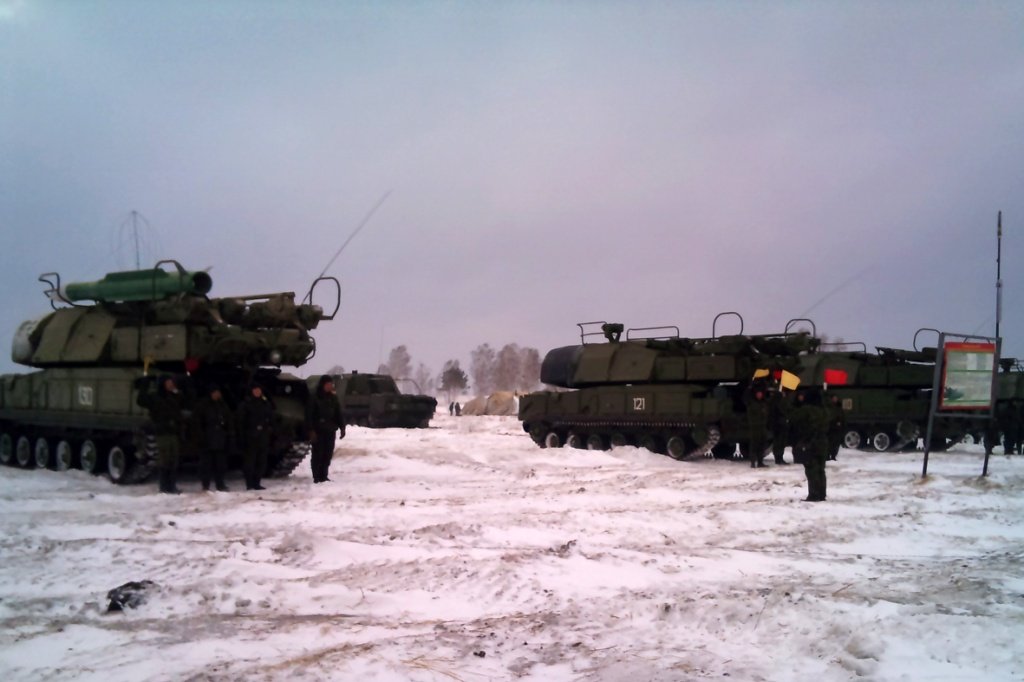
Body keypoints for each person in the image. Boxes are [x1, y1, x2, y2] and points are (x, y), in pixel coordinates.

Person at [136, 375, 186, 494]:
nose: (171, 384)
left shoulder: (174, 397)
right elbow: (141, 400)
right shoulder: (155, 397)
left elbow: (185, 401)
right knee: (165, 459)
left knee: (173, 459)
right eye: (169, 382)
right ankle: (164, 487)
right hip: (162, 432)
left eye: (172, 382)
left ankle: (172, 485)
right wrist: (145, 384)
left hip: (173, 432)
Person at [790, 388, 830, 502]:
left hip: (810, 442)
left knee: (811, 469)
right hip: (823, 441)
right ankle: (822, 494)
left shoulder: (807, 409)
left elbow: (793, 416)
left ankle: (814, 495)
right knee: (821, 469)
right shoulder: (824, 410)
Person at [193, 384, 234, 491]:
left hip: (220, 439)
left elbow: (229, 420)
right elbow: (197, 423)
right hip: (207, 439)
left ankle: (220, 484)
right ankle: (205, 485)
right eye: (215, 392)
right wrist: (201, 437)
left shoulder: (222, 405)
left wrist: (229, 434)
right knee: (206, 465)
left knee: (220, 464)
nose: (217, 394)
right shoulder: (203, 406)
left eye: (218, 392)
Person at [236, 382, 275, 491]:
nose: (257, 392)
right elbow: (241, 422)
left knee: (261, 461)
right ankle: (249, 483)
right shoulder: (246, 405)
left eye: (259, 390)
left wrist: (270, 429)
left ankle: (257, 482)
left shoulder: (265, 403)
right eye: (255, 390)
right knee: (250, 462)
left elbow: (271, 417)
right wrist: (242, 436)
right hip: (250, 437)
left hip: (263, 437)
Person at [308, 375, 346, 483]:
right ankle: (316, 477)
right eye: (328, 384)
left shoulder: (333, 398)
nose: (330, 386)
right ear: (323, 385)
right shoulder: (314, 397)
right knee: (318, 454)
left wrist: (342, 427)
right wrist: (311, 430)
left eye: (331, 384)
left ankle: (324, 475)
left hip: (330, 430)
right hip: (318, 430)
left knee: (327, 454)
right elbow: (309, 415)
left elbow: (338, 413)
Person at [745, 384, 769, 468]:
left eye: (761, 393)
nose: (759, 395)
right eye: (758, 393)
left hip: (762, 426)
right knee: (754, 445)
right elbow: (746, 397)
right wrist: (749, 388)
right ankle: (752, 462)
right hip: (754, 427)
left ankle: (760, 462)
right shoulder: (751, 402)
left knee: (762, 445)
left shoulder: (764, 403)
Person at [768, 381, 791, 465]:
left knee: (781, 442)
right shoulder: (776, 402)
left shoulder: (782, 401)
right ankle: (778, 458)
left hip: (782, 424)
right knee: (778, 442)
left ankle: (780, 457)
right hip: (777, 424)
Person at [826, 393, 846, 461]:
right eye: (834, 398)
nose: (835, 399)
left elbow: (842, 416)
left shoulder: (839, 407)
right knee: (829, 443)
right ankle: (828, 456)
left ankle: (833, 456)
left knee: (836, 443)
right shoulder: (828, 407)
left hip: (837, 428)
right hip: (830, 427)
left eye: (836, 398)